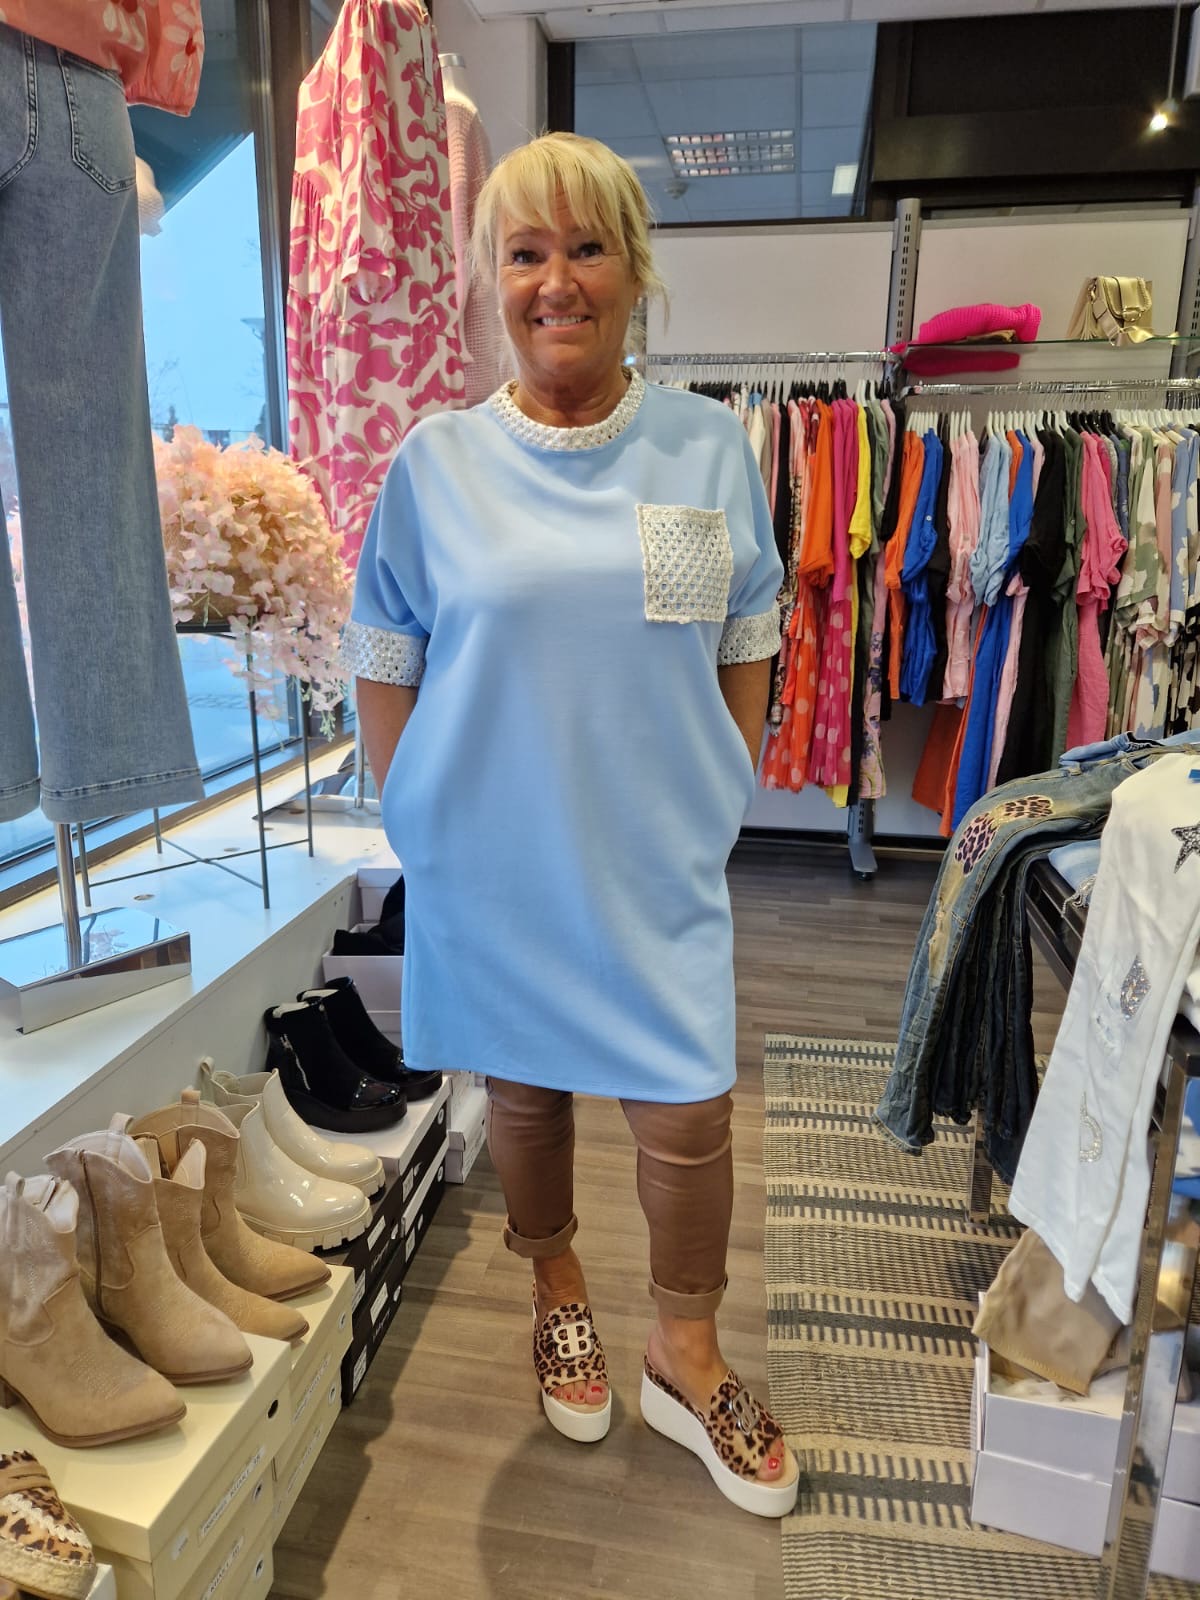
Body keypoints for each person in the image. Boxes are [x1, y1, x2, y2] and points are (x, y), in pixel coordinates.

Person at [344, 131, 798, 1516]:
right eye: (525, 253)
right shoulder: (436, 464)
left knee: (689, 1114)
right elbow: (387, 647)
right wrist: (413, 811)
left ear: (633, 271)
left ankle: (685, 1351)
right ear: (492, 280)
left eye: (587, 247)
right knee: (528, 1097)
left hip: (654, 860)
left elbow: (747, 633)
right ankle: (557, 1293)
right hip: (495, 858)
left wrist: (720, 786)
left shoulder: (705, 448)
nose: (557, 281)